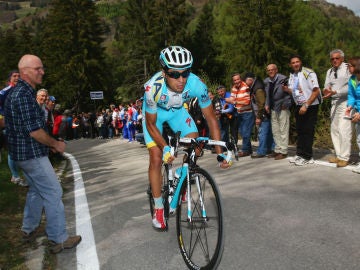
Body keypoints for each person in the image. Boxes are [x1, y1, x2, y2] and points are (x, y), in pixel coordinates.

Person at [142, 46, 231, 230]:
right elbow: (151, 124)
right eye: (175, 74)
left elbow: (211, 119)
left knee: (196, 143)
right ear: (164, 72)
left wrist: (220, 152)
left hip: (177, 113)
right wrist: (165, 146)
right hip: (155, 117)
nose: (181, 80)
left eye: (185, 73)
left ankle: (181, 175)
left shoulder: (197, 84)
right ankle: (159, 207)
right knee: (157, 157)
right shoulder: (152, 88)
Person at [4, 54, 81, 253]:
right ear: (24, 72)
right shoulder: (22, 95)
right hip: (31, 154)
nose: (42, 72)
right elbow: (34, 131)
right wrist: (55, 144)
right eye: (37, 69)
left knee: (36, 191)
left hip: (24, 154)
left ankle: (28, 229)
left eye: (42, 68)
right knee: (53, 191)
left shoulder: (21, 93)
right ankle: (59, 239)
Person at [283, 55, 321, 166]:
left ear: (301, 62)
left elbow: (316, 90)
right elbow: (296, 91)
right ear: (290, 65)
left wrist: (306, 105)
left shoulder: (308, 73)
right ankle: (300, 154)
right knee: (300, 131)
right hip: (299, 105)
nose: (295, 64)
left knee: (308, 131)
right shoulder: (293, 75)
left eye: (297, 62)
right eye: (293, 62)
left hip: (310, 105)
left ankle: (308, 156)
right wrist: (287, 90)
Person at [323, 49, 352, 167]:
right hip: (334, 102)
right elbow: (326, 85)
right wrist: (326, 90)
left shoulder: (348, 68)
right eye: (332, 59)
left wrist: (336, 91)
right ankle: (339, 155)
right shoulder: (329, 71)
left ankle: (344, 157)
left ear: (342, 58)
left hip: (346, 102)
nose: (334, 60)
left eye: (337, 58)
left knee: (344, 129)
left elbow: (352, 86)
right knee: (334, 129)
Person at [264, 64, 292, 160]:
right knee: (275, 130)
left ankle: (283, 151)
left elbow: (288, 93)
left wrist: (287, 104)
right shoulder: (267, 81)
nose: (270, 71)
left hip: (282, 107)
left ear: (276, 70)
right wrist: (266, 104)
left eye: (272, 70)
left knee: (283, 130)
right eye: (269, 70)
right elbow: (267, 95)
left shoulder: (283, 79)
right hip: (273, 108)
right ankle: (277, 149)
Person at [244, 73, 274, 158]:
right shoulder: (257, 86)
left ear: (250, 80)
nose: (245, 84)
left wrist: (258, 117)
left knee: (262, 133)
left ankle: (261, 151)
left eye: (245, 81)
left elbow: (261, 103)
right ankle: (269, 148)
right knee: (268, 132)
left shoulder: (258, 89)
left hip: (262, 114)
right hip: (265, 114)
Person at [228, 73, 254, 157]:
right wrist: (227, 101)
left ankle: (245, 150)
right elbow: (232, 98)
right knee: (242, 132)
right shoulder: (234, 88)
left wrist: (234, 102)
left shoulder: (245, 87)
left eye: (237, 79)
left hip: (247, 112)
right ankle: (248, 149)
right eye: (234, 80)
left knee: (246, 132)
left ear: (241, 79)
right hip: (239, 113)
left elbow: (247, 102)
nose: (236, 81)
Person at [346, 57, 360, 173]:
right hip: (357, 111)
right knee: (359, 139)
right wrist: (350, 106)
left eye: (350, 66)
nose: (348, 68)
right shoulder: (352, 79)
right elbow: (352, 96)